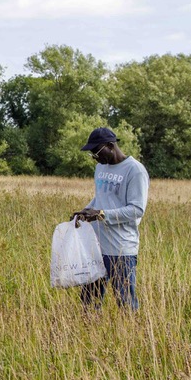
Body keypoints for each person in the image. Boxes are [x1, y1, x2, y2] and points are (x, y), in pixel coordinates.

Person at [70, 127, 149, 311]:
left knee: (125, 302)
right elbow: (100, 198)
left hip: (121, 249)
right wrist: (85, 210)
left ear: (111, 146)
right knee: (89, 301)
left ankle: (130, 335)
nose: (95, 158)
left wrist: (101, 214)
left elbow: (137, 210)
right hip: (96, 246)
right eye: (92, 154)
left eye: (96, 152)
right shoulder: (100, 168)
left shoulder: (135, 171)